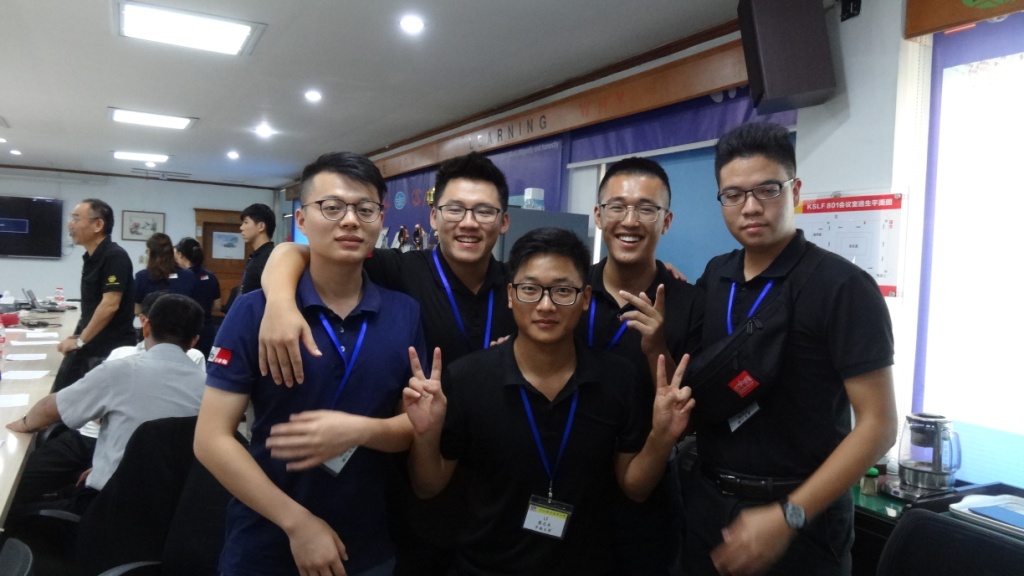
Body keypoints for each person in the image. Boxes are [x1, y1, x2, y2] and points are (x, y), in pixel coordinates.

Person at [256, 151, 517, 575]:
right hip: (411, 469)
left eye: (484, 211)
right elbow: (297, 252)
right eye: (454, 209)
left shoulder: (520, 288)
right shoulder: (400, 270)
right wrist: (282, 302)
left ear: (503, 222)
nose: (468, 223)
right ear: (433, 217)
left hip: (496, 471)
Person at [403, 227, 695, 575]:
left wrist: (662, 436)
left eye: (562, 291)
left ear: (585, 298)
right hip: (486, 566)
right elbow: (428, 486)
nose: (546, 305)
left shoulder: (617, 380)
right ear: (510, 295)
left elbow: (635, 488)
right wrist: (425, 435)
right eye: (530, 289)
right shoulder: (467, 379)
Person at [194, 151, 425, 576]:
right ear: (301, 219)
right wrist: (297, 523)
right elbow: (210, 439)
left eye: (365, 209)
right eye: (332, 207)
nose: (350, 220)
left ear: (381, 219)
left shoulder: (404, 313)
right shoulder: (256, 312)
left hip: (366, 544)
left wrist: (358, 430)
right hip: (267, 542)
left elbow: (414, 426)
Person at [682, 122, 897, 575]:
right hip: (709, 505)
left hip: (802, 520)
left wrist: (789, 515)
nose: (751, 207)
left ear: (794, 190)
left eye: (768, 189)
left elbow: (879, 425)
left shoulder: (843, 286)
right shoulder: (716, 275)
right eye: (733, 195)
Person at [586, 156, 705, 574]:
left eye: (646, 209)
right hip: (566, 481)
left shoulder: (691, 303)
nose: (630, 220)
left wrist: (656, 345)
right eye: (617, 206)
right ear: (598, 216)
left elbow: (689, 415)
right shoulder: (569, 292)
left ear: (666, 221)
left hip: (646, 499)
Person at [5, 293, 206, 519]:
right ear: (194, 341)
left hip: (107, 508)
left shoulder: (121, 370)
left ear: (146, 327)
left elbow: (50, 409)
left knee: (15, 511)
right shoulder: (208, 388)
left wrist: (24, 424)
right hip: (170, 511)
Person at [53, 199, 136, 392]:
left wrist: (80, 341)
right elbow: (93, 304)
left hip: (109, 351)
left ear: (98, 225)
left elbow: (110, 304)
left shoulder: (114, 256)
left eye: (75, 219)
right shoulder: (92, 257)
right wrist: (79, 335)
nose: (69, 225)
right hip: (93, 346)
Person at [175, 236, 222, 356]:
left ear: (180, 255)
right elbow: (217, 306)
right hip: (208, 329)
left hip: (187, 330)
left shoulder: (183, 277)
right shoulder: (210, 275)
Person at [133, 232, 198, 315]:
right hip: (182, 321)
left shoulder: (142, 277)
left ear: (150, 253)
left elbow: (137, 310)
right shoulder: (188, 276)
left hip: (153, 321)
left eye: (147, 251)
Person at [239, 202, 277, 294]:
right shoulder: (256, 256)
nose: (241, 228)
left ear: (261, 226)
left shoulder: (270, 258)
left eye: (246, 222)